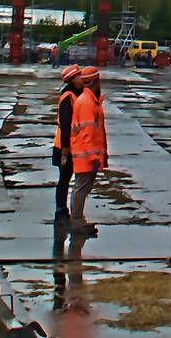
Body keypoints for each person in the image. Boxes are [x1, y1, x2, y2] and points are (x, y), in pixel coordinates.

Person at [67, 69, 109, 236]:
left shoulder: (90, 101)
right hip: (85, 155)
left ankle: (78, 219)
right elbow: (87, 133)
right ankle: (76, 221)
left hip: (87, 154)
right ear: (95, 81)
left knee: (82, 188)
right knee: (81, 188)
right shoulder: (86, 103)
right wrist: (93, 157)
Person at [50, 66, 85, 222]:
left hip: (73, 144)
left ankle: (64, 210)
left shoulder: (78, 94)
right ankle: (60, 210)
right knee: (64, 179)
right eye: (79, 76)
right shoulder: (67, 96)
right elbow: (65, 124)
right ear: (73, 79)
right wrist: (65, 149)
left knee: (67, 177)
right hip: (64, 146)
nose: (82, 78)